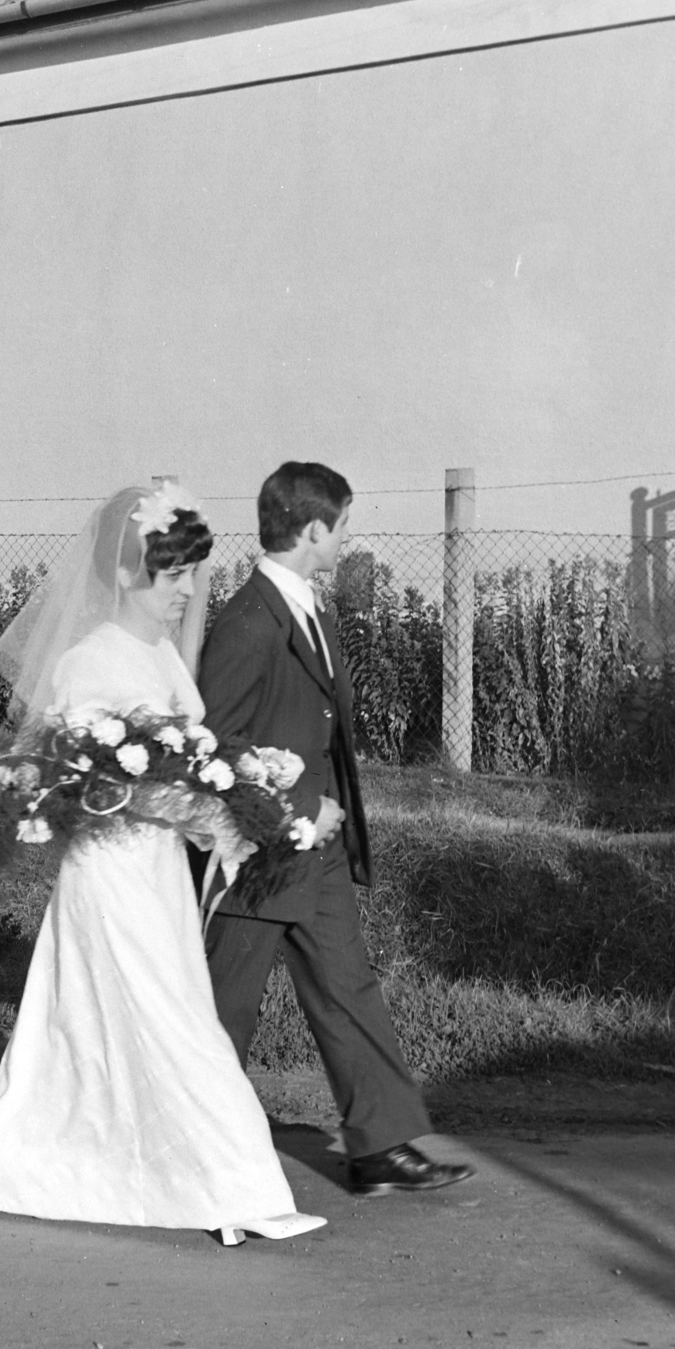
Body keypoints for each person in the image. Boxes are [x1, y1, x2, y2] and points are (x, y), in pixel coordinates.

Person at [0, 485, 326, 1244]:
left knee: (130, 1022)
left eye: (193, 572)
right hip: (113, 872)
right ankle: (231, 1188)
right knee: (169, 1023)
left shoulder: (158, 654)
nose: (188, 591)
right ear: (127, 574)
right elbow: (113, 790)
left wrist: (247, 777)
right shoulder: (89, 663)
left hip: (155, 873)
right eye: (174, 575)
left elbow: (188, 757)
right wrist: (230, 816)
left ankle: (87, 1167)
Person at [200, 462, 474, 1196]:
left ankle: (379, 1146)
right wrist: (293, 815)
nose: (349, 538)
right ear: (313, 529)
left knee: (349, 987)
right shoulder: (248, 622)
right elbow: (213, 749)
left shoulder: (306, 608)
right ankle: (191, 1154)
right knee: (224, 1013)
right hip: (260, 857)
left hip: (314, 855)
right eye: (343, 525)